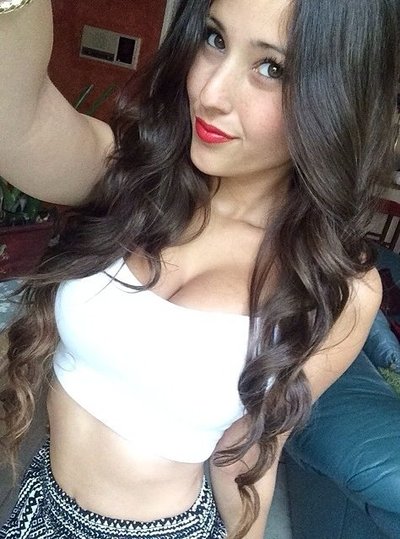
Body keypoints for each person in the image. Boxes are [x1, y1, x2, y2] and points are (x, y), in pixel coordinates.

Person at [0, 0, 398, 537]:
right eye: (215, 39)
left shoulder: (336, 287)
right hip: (38, 507)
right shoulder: (129, 179)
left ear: (338, 98)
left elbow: (249, 450)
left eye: (271, 67)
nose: (210, 94)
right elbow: (17, 122)